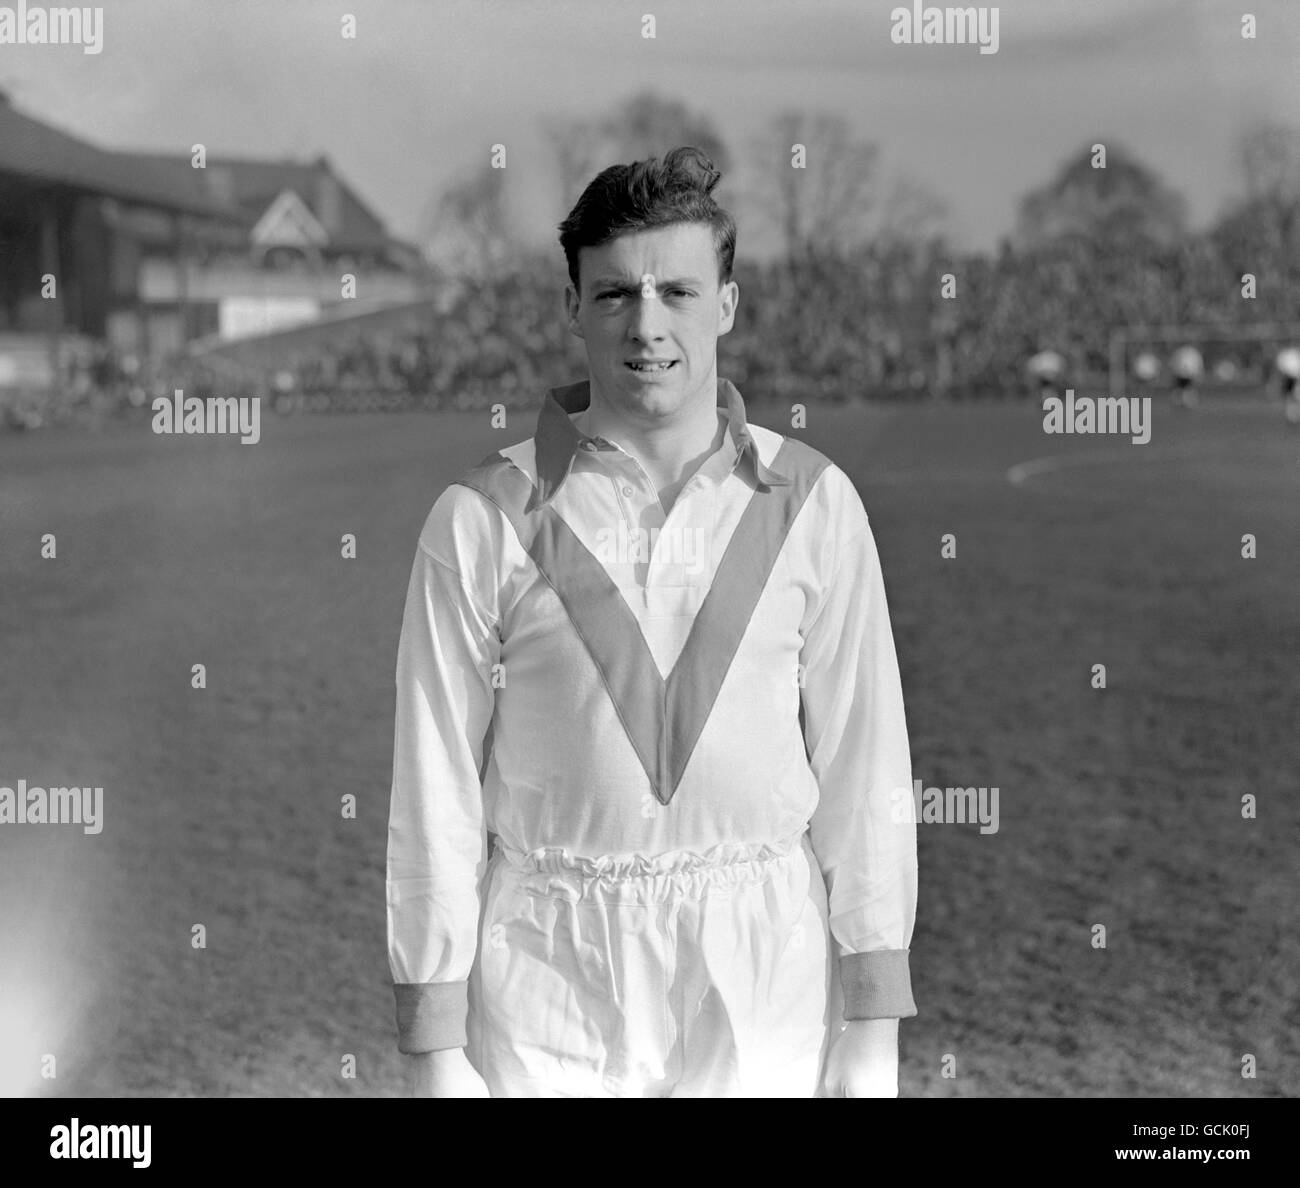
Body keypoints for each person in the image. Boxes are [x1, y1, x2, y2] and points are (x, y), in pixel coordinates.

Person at [386, 146, 918, 1098]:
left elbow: (864, 769)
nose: (647, 325)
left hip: (765, 979)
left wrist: (872, 1024)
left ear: (727, 302)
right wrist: (434, 1043)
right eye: (615, 295)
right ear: (572, 309)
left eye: (677, 290)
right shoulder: (478, 518)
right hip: (550, 985)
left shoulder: (815, 502)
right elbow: (434, 790)